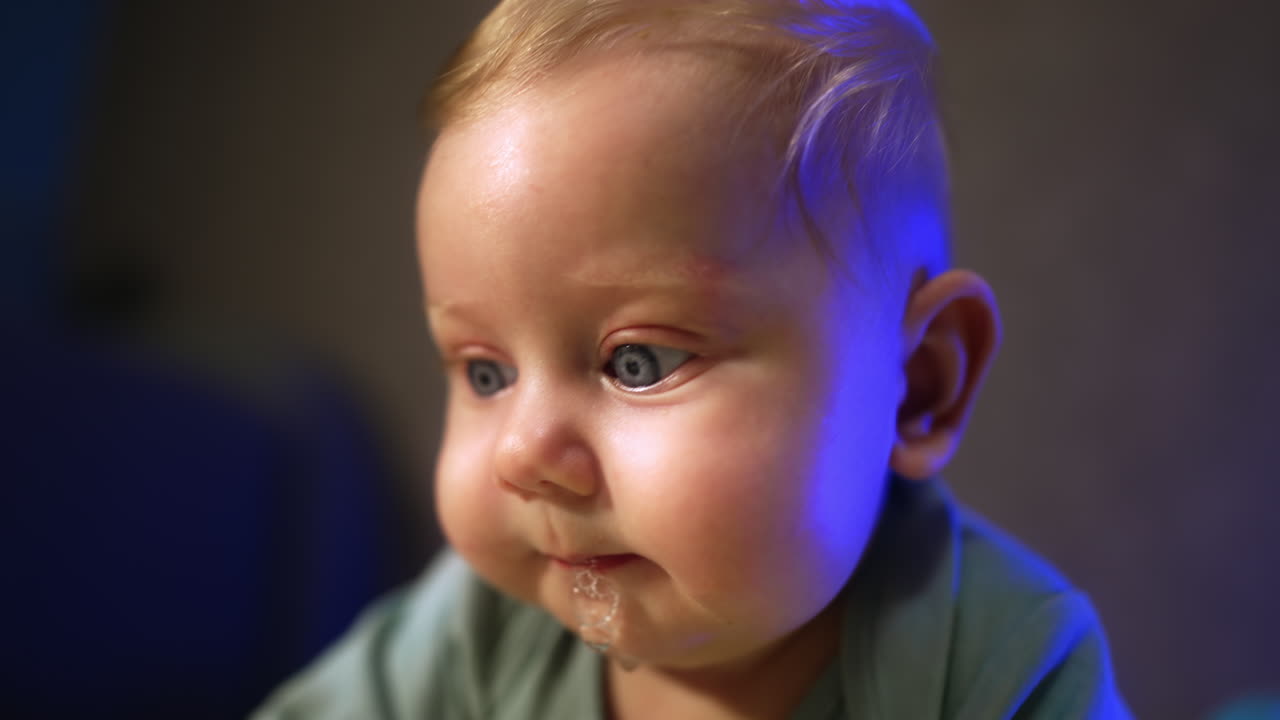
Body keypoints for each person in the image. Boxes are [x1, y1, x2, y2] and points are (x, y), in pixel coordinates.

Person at [254, 0, 1130, 717]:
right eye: (487, 373)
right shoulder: (478, 630)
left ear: (918, 386)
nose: (524, 456)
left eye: (637, 362)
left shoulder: (997, 664)